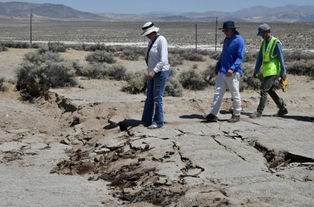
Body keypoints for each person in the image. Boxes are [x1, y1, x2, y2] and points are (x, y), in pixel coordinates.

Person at [206, 21, 245, 123]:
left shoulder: (239, 40)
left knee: (234, 93)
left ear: (233, 29)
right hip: (222, 71)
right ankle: (213, 114)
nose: (225, 32)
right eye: (224, 30)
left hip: (233, 72)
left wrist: (232, 68)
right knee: (218, 92)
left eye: (226, 30)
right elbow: (223, 54)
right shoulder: (227, 39)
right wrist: (218, 65)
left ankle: (236, 114)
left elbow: (240, 57)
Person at [250, 23, 288, 118]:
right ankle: (282, 109)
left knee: (263, 90)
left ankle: (259, 112)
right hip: (267, 71)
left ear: (268, 32)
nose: (262, 36)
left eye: (262, 34)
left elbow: (281, 58)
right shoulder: (264, 43)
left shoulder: (276, 43)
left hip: (273, 71)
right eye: (261, 34)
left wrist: (283, 72)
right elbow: (260, 58)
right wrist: (256, 70)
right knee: (269, 90)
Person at [140, 22, 170, 129]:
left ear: (153, 32)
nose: (147, 36)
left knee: (157, 97)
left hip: (160, 72)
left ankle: (158, 121)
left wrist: (154, 71)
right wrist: (150, 71)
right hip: (152, 73)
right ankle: (146, 120)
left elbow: (163, 60)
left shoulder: (161, 40)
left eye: (148, 34)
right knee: (150, 97)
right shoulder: (151, 41)